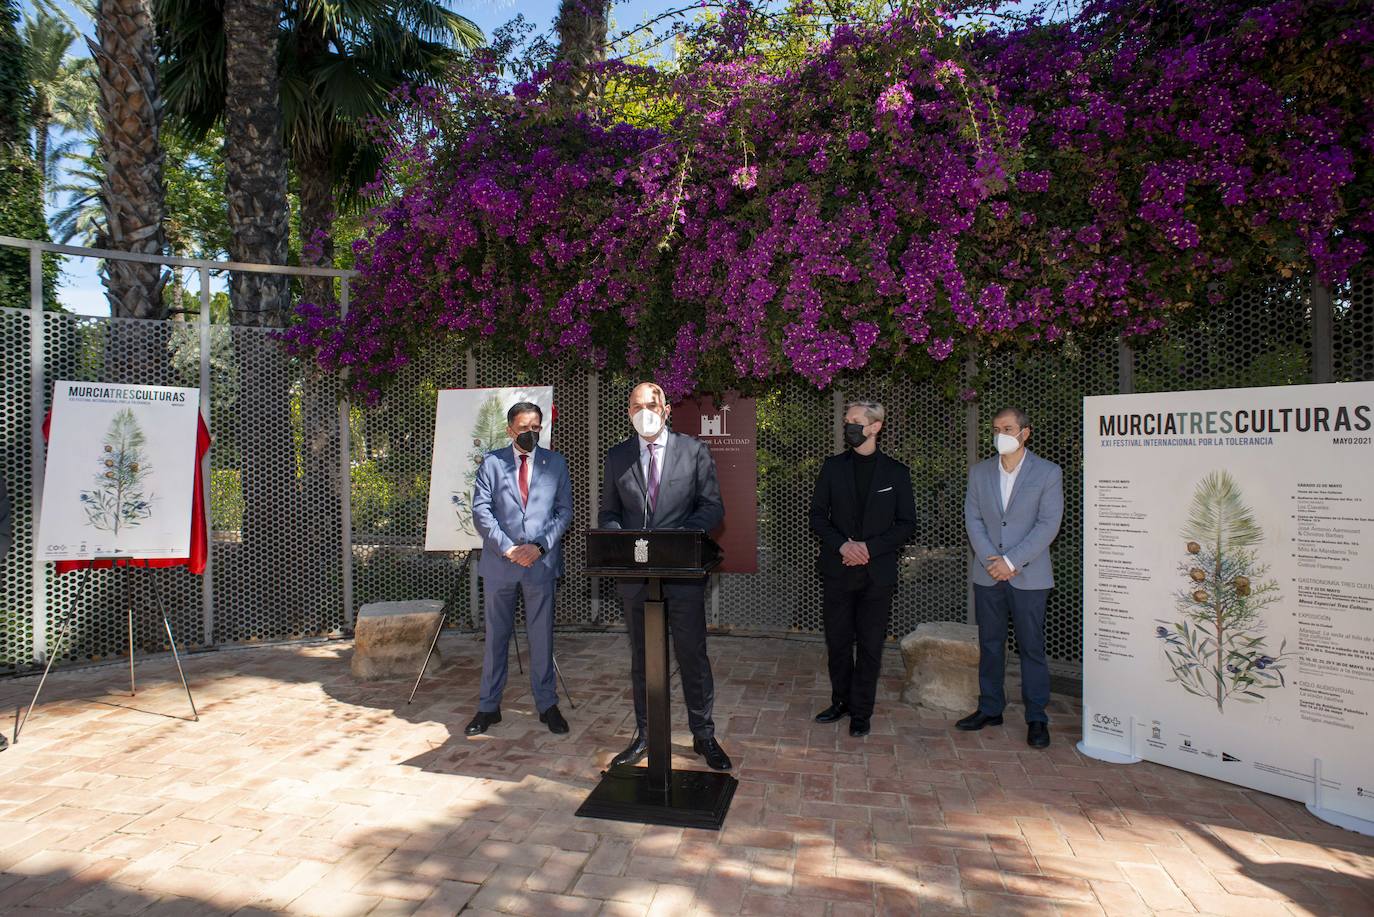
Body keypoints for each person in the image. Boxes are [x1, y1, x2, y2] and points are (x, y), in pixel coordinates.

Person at [598, 381, 731, 771]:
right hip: (637, 579)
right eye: (637, 405)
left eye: (652, 403)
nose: (645, 410)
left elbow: (712, 507)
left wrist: (678, 538)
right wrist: (619, 536)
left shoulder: (694, 451)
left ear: (667, 408)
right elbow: (609, 512)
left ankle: (703, 735)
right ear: (628, 412)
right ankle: (645, 734)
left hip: (683, 573)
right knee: (643, 659)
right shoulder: (617, 456)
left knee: (692, 655)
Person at [808, 401, 916, 737]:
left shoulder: (896, 472)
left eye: (855, 421)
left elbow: (907, 524)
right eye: (846, 422)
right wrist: (843, 545)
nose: (849, 427)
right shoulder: (832, 467)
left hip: (877, 574)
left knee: (870, 646)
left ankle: (861, 712)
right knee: (838, 643)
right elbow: (817, 517)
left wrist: (868, 548)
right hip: (838, 569)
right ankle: (840, 701)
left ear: (875, 426)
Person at [958, 407, 1063, 748]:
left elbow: (1048, 524)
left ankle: (1036, 717)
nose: (1000, 433)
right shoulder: (979, 473)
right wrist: (994, 561)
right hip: (988, 574)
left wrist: (1011, 561)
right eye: (996, 428)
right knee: (990, 645)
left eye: (1007, 428)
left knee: (1031, 648)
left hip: (1029, 576)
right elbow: (973, 519)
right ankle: (990, 707)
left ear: (1024, 433)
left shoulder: (1047, 473)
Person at [466, 402, 574, 736]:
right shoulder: (492, 463)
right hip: (502, 564)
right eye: (524, 427)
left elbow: (564, 511)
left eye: (536, 427)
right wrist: (509, 548)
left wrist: (539, 546)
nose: (531, 433)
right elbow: (482, 511)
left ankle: (547, 705)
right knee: (496, 637)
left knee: (541, 637)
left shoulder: (555, 463)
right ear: (510, 429)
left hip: (539, 564)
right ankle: (488, 707)